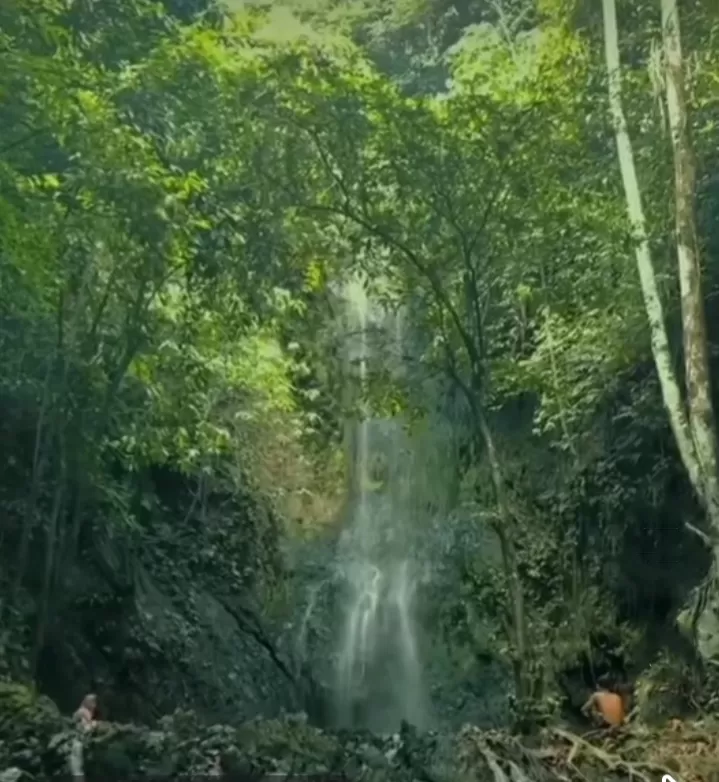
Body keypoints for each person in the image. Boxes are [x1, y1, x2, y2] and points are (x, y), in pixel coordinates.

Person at [69, 694, 97, 782]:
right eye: (92, 702)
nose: (94, 704)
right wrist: (92, 725)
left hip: (84, 742)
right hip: (80, 742)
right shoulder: (83, 711)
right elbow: (86, 726)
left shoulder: (85, 712)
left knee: (79, 768)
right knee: (78, 767)